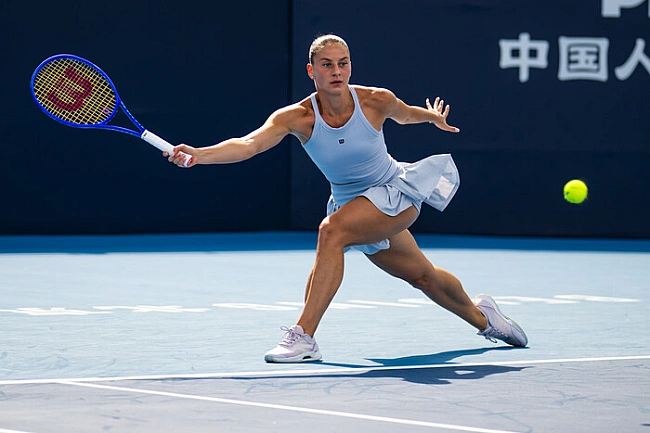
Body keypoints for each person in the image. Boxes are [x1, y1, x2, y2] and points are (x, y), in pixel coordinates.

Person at [166, 34, 528, 363]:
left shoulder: (375, 100)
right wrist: (199, 154)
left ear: (350, 66)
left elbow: (405, 115)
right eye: (327, 65)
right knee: (423, 277)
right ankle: (486, 318)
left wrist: (431, 117)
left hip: (395, 194)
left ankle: (304, 337)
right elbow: (248, 144)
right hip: (352, 204)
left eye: (343, 63)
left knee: (331, 232)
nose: (337, 71)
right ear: (312, 71)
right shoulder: (297, 117)